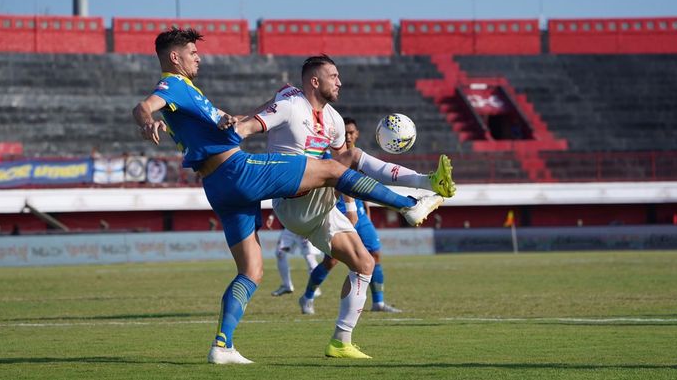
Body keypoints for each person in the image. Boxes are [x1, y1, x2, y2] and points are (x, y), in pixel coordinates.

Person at [132, 29, 449, 364]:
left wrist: (225, 120)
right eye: (192, 53)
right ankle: (410, 206)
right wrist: (146, 121)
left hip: (218, 186)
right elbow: (143, 106)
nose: (198, 57)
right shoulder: (174, 84)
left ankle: (222, 345)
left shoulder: (189, 93)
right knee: (333, 170)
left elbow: (207, 126)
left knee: (251, 271)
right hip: (236, 170)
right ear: (174, 57)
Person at [223, 55, 455, 360]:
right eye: (333, 76)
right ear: (314, 81)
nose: (340, 82)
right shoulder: (290, 104)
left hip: (320, 205)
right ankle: (421, 189)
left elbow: (345, 173)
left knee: (364, 264)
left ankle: (340, 341)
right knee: (353, 155)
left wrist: (349, 206)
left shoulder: (333, 119)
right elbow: (249, 126)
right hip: (292, 201)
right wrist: (230, 130)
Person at [299, 117, 403, 315]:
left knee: (375, 254)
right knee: (331, 261)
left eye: (351, 132)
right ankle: (307, 297)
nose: (347, 136)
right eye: (344, 132)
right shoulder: (329, 157)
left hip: (360, 216)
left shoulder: (359, 158)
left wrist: (367, 213)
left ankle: (378, 302)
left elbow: (364, 189)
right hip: (337, 214)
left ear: (357, 134)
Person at [270, 220, 323, 297]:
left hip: (305, 227)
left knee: (310, 257)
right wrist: (272, 216)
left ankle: (315, 288)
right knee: (280, 253)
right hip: (290, 227)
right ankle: (287, 286)